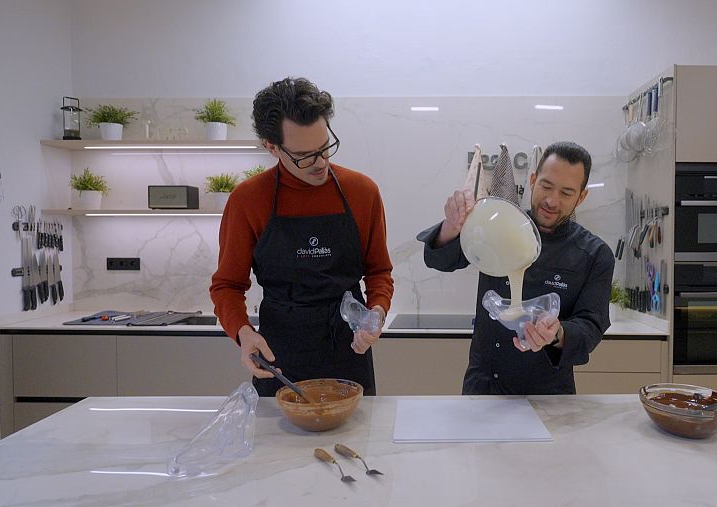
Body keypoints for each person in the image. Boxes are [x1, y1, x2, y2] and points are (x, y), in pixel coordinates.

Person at [210, 77, 393, 396]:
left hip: (349, 351)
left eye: (325, 148)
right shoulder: (249, 201)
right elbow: (227, 285)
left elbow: (378, 272)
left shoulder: (363, 193)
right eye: (305, 156)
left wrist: (375, 313)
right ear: (272, 147)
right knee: (278, 446)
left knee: (357, 445)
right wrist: (243, 333)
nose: (321, 163)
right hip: (279, 359)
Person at [417, 142, 613, 395]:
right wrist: (451, 227)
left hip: (548, 394)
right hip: (484, 387)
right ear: (533, 180)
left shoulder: (595, 254)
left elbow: (591, 326)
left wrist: (557, 333)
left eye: (566, 192)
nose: (552, 200)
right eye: (546, 186)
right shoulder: (500, 224)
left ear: (581, 196)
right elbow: (440, 260)